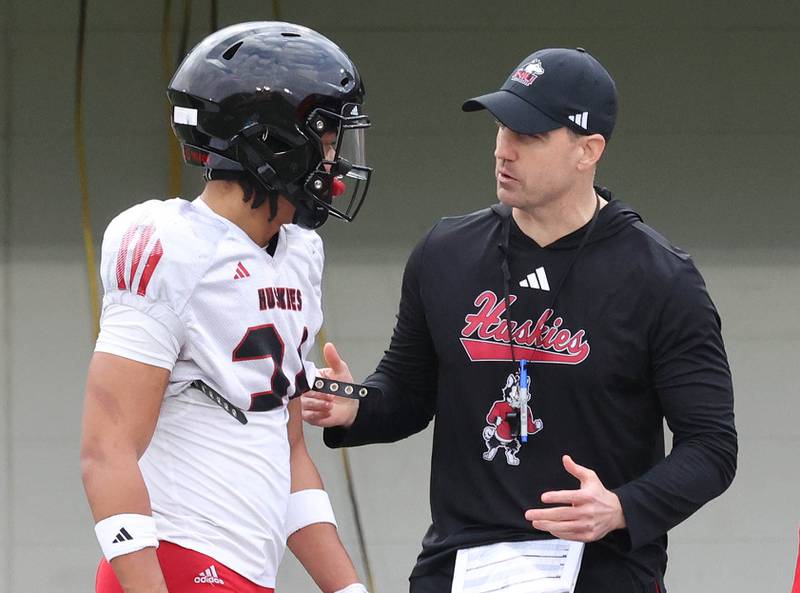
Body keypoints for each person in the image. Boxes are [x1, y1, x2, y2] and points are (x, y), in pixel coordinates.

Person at [301, 47, 737, 592]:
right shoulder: (445, 253)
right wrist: (355, 406)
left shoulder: (660, 279)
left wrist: (621, 507)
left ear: (588, 150)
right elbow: (409, 392)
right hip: (460, 565)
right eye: (502, 128)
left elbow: (712, 448)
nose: (503, 151)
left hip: (598, 571)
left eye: (528, 135)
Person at [80, 22, 373, 593]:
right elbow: (106, 447)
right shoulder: (168, 243)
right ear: (275, 143)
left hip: (243, 572)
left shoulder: (298, 253)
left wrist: (348, 588)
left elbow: (285, 451)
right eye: (329, 139)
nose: (337, 162)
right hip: (178, 558)